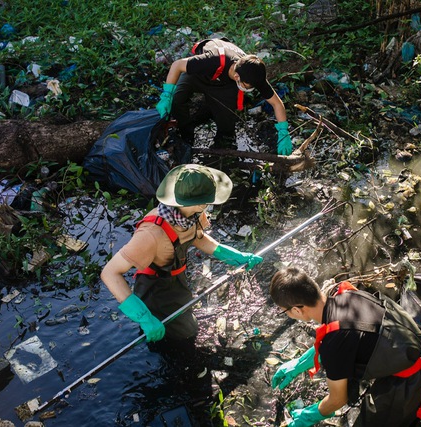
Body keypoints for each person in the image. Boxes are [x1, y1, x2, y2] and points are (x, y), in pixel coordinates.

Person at [100, 164, 263, 348]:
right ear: (198, 202)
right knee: (182, 336)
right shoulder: (150, 234)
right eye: (208, 200)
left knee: (186, 324)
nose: (209, 205)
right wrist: (143, 317)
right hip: (155, 290)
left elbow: (199, 239)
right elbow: (110, 273)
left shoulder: (193, 214)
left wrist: (234, 256)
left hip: (177, 278)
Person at [269, 267, 421, 427]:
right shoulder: (343, 294)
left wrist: (310, 415)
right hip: (410, 344)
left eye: (285, 311)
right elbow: (340, 339)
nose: (289, 315)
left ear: (297, 310)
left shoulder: (333, 343)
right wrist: (300, 363)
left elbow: (338, 399)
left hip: (411, 379)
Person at [155, 37, 293, 155]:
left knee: (226, 126)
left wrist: (283, 132)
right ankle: (186, 135)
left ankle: (222, 147)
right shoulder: (211, 60)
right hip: (200, 76)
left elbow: (277, 103)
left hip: (225, 86)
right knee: (177, 100)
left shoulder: (253, 72)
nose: (250, 89)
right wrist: (166, 95)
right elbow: (177, 65)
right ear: (237, 76)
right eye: (248, 86)